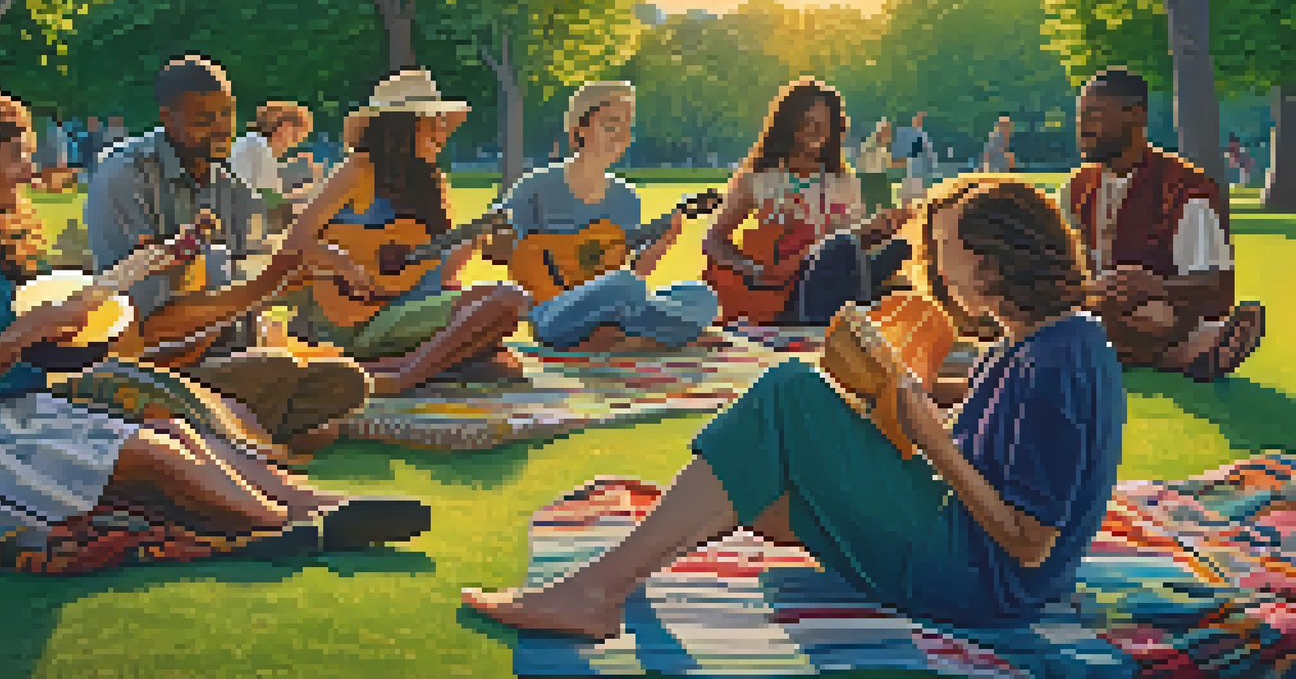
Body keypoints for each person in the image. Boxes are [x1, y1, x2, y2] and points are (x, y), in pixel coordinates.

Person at [463, 177, 1127, 636]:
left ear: (995, 261)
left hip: (981, 584)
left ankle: (597, 591)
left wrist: (927, 434)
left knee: (785, 394)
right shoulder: (1045, 340)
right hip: (966, 550)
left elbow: (1029, 542)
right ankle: (615, 577)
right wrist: (892, 405)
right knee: (765, 474)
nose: (934, 264)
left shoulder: (1055, 363)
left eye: (946, 248)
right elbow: (993, 451)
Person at [0, 85, 428, 546]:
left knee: (172, 428)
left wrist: (72, 327)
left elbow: (29, 353)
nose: (30, 171)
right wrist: (26, 334)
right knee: (149, 453)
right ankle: (292, 530)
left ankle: (318, 503)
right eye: (17, 156)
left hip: (9, 414)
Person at [86, 55, 372, 457]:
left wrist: (310, 267)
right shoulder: (125, 176)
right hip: (158, 359)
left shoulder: (226, 181)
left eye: (227, 113)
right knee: (280, 372)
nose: (221, 129)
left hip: (225, 349)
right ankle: (226, 428)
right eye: (205, 119)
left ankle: (228, 425)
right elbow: (149, 323)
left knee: (346, 380)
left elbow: (255, 264)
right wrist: (270, 282)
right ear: (169, 118)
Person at [278, 68, 534, 395]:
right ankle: (406, 376)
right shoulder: (358, 170)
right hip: (343, 320)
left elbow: (436, 274)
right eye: (433, 122)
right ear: (403, 127)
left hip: (402, 313)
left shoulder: (435, 186)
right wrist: (342, 263)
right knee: (501, 320)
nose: (442, 133)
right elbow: (295, 244)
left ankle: (374, 370)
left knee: (511, 307)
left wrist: (476, 240)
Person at [1058, 67, 1265, 382]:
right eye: (1080, 117)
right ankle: (1185, 354)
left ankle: (1184, 344)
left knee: (1151, 317)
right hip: (1089, 306)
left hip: (1160, 311)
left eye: (1095, 116)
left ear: (1135, 116)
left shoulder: (1184, 188)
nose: (1083, 128)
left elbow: (1214, 284)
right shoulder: (1076, 188)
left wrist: (1155, 286)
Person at [486, 81, 718, 352]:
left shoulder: (626, 198)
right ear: (579, 129)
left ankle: (617, 338)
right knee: (623, 286)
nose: (620, 137)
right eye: (610, 126)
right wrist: (504, 241)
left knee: (702, 296)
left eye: (626, 129)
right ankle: (660, 336)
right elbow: (494, 243)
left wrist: (666, 239)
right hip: (552, 312)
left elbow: (635, 274)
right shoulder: (536, 186)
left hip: (611, 308)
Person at [703, 78, 916, 327]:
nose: (815, 132)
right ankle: (852, 317)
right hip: (784, 291)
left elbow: (854, 246)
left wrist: (881, 229)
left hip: (833, 278)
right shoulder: (758, 178)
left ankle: (862, 313)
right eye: (807, 124)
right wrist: (751, 269)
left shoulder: (844, 181)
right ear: (787, 127)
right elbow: (714, 239)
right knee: (843, 249)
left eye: (824, 126)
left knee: (898, 248)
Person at [228, 101, 323, 235]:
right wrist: (313, 191)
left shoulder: (253, 143)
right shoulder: (260, 149)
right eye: (295, 137)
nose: (292, 146)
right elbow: (271, 200)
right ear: (285, 128)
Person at [892, 111, 937, 204]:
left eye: (918, 120)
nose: (916, 122)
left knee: (914, 194)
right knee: (910, 195)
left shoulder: (922, 137)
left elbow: (922, 154)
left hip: (917, 171)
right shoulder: (916, 135)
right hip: (914, 170)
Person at [856, 118, 895, 215]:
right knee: (870, 210)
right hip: (870, 179)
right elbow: (863, 166)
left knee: (887, 208)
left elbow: (887, 163)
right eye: (887, 132)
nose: (889, 135)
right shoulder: (871, 145)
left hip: (880, 179)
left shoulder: (883, 146)